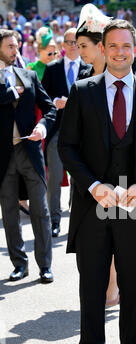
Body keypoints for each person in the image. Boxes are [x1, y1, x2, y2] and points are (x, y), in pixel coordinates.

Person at [58, 19, 136, 344]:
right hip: (93, 204)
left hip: (135, 205)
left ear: (134, 48)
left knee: (133, 288)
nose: (120, 52)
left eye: (127, 45)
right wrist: (92, 186)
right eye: (114, 46)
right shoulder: (82, 90)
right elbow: (67, 147)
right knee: (91, 287)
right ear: (103, 50)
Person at [0, 29, 56, 283]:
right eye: (10, 46)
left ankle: (45, 265)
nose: (16, 49)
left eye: (17, 45)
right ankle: (18, 264)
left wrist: (42, 126)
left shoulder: (29, 75)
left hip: (30, 152)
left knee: (40, 210)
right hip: (3, 157)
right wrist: (12, 93)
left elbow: (50, 108)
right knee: (9, 212)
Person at [75, 3, 119, 308]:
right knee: (94, 235)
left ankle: (114, 288)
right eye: (77, 47)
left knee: (116, 229)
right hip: (87, 170)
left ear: (99, 47)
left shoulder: (121, 75)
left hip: (116, 167)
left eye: (84, 46)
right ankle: (103, 285)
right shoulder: (82, 77)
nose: (80, 52)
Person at [42, 28, 90, 239]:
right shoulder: (52, 68)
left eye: (76, 42)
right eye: (69, 42)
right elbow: (43, 96)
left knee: (78, 176)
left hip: (82, 131)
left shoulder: (89, 69)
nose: (73, 46)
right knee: (54, 177)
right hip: (57, 131)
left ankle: (75, 217)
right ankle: (54, 220)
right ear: (63, 45)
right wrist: (55, 102)